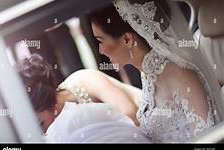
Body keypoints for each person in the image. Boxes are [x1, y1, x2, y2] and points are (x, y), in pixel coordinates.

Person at [88, 0, 223, 142]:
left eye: (101, 40)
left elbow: (208, 138)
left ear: (127, 39)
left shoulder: (182, 76)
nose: (100, 50)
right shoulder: (148, 74)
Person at [15, 53, 140, 134]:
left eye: (41, 123)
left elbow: (131, 115)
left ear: (47, 101)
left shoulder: (85, 80)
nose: (43, 133)